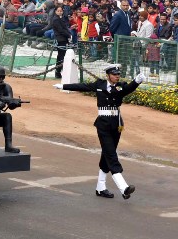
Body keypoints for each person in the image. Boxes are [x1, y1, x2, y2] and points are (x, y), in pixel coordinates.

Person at [54, 66, 144, 199]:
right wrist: (63, 86)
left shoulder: (120, 86)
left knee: (107, 153)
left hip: (116, 124)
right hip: (103, 124)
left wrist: (137, 81)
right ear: (108, 75)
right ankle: (124, 188)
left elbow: (128, 89)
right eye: (114, 74)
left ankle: (100, 187)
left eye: (118, 74)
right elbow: (82, 86)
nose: (117, 77)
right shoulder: (99, 84)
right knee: (111, 155)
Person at [52, 5, 71, 79]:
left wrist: (69, 34)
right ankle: (58, 72)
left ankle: (59, 71)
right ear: (55, 11)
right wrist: (69, 35)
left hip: (64, 38)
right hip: (60, 39)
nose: (60, 12)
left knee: (61, 56)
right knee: (61, 56)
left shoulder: (61, 18)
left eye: (61, 11)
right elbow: (61, 30)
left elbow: (65, 28)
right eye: (58, 11)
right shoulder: (56, 19)